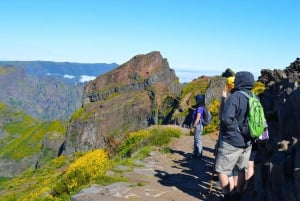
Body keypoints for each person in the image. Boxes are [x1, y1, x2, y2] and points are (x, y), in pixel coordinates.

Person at [215, 71, 255, 201]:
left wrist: (234, 131)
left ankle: (227, 196)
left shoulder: (235, 97)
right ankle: (238, 195)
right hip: (248, 141)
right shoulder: (255, 97)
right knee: (241, 169)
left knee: (222, 170)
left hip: (232, 141)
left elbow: (225, 119)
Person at [191, 94, 205, 160]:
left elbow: (198, 118)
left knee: (197, 140)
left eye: (196, 99)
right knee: (197, 139)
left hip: (198, 125)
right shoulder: (199, 107)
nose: (196, 100)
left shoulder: (199, 108)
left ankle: (198, 155)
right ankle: (196, 154)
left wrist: (193, 126)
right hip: (199, 125)